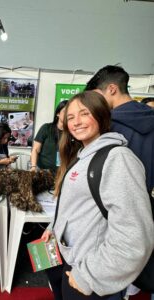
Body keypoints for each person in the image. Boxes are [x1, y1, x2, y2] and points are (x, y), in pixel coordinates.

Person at [42, 91, 153, 300]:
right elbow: (75, 205)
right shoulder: (82, 156)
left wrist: (88, 276)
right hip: (74, 264)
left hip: (91, 275)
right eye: (71, 117)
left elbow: (134, 238)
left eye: (84, 113)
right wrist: (54, 229)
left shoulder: (118, 159)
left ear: (101, 115)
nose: (76, 122)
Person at [85, 65, 154, 205]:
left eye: (97, 96)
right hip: (147, 203)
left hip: (114, 203)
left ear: (112, 89)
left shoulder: (105, 124)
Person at [30, 100, 68, 173]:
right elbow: (35, 149)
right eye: (65, 111)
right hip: (44, 171)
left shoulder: (72, 132)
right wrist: (33, 167)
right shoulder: (46, 128)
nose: (67, 114)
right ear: (58, 113)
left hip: (63, 171)